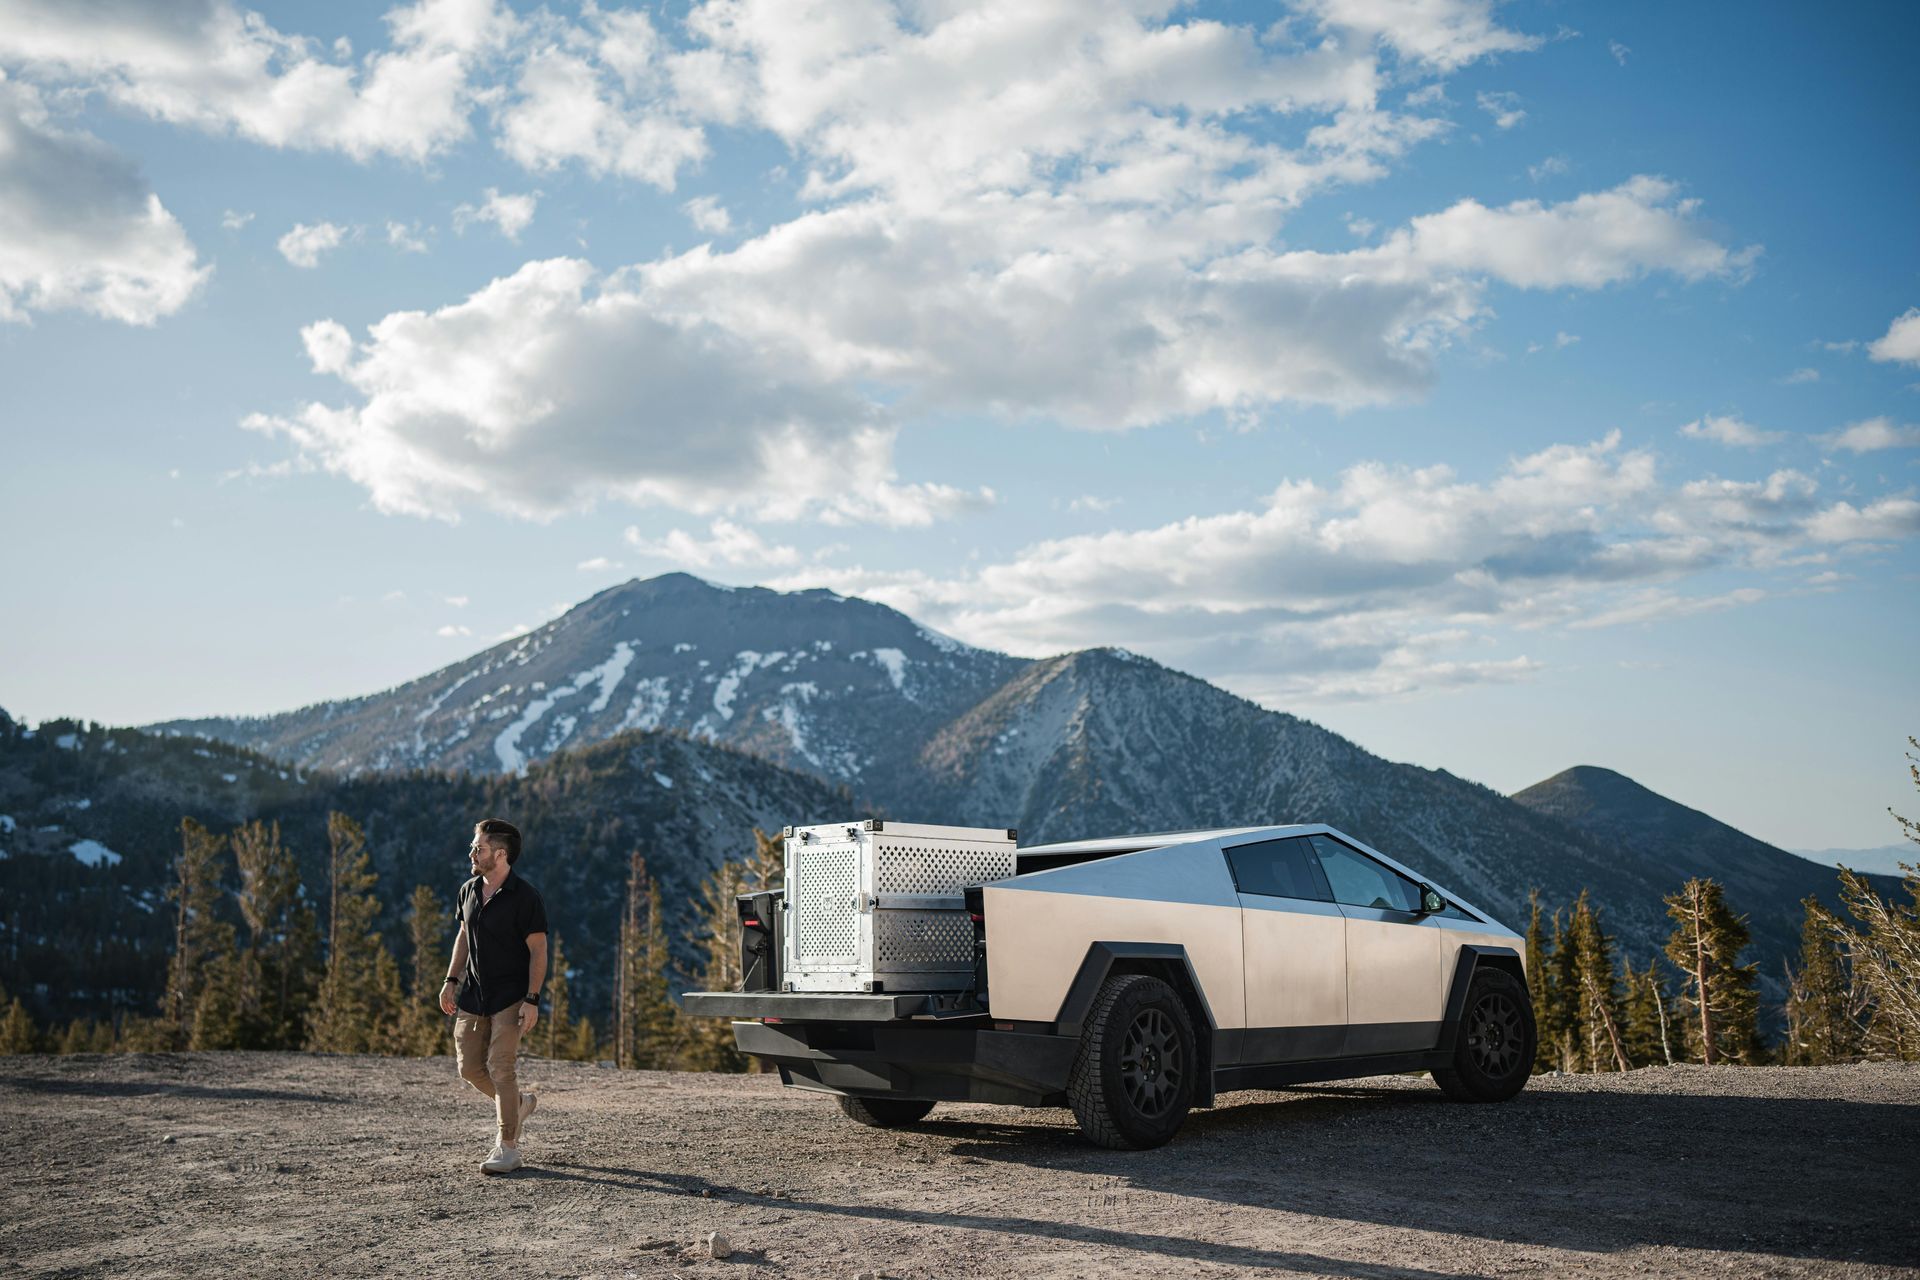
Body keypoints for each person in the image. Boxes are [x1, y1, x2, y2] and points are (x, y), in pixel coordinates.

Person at [440, 817, 548, 1174]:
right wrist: (450, 979)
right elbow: (462, 936)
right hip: (473, 994)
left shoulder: (526, 897)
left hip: (512, 996)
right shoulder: (468, 890)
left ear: (500, 854)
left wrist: (532, 999)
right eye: (474, 846)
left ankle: (508, 1147)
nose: (472, 852)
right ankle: (517, 1105)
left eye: (479, 848)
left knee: (502, 1068)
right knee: (469, 1068)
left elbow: (539, 951)